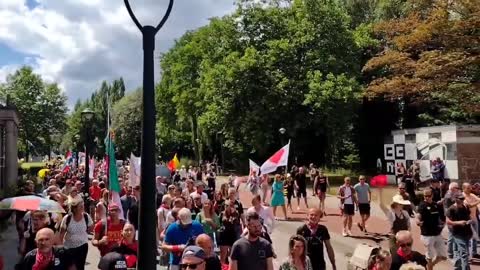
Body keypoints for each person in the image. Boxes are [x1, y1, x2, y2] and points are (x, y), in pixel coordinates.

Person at [416, 188, 446, 270]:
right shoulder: (422, 205)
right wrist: (418, 221)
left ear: (432, 195)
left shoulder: (436, 205)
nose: (427, 198)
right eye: (425, 196)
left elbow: (440, 218)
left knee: (443, 256)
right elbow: (418, 215)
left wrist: (442, 224)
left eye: (428, 196)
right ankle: (429, 266)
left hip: (437, 233)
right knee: (429, 257)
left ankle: (429, 265)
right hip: (427, 235)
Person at [58, 199, 93, 270]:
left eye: (83, 206)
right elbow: (61, 234)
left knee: (80, 266)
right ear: (74, 208)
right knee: (70, 267)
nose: (83, 208)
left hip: (83, 246)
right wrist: (60, 247)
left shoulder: (86, 216)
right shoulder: (67, 218)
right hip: (68, 248)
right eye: (80, 206)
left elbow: (91, 227)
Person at [446, 192, 473, 270]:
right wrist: (459, 223)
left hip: (467, 233)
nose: (462, 200)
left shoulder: (465, 207)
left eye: (463, 198)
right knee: (464, 253)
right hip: (458, 234)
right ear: (455, 199)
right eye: (460, 198)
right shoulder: (451, 209)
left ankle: (457, 268)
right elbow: (447, 221)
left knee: (460, 252)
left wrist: (470, 221)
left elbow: (469, 217)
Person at [218, 199, 242, 264]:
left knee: (232, 256)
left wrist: (233, 214)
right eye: (225, 205)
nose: (227, 206)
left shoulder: (235, 213)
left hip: (232, 235)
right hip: (224, 235)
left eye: (229, 205)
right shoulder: (222, 213)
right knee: (223, 256)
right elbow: (220, 224)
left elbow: (236, 222)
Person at [462, 182, 480, 259]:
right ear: (464, 189)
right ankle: (467, 255)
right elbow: (469, 205)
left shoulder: (472, 195)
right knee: (469, 238)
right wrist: (478, 202)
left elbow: (478, 200)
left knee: (475, 237)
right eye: (468, 188)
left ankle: (474, 253)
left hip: (474, 219)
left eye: (470, 187)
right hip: (467, 220)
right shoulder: (462, 196)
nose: (470, 189)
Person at [443, 182, 460, 259]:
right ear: (453, 188)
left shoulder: (452, 195)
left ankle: (453, 251)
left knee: (453, 235)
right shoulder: (448, 196)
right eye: (457, 188)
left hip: (453, 218)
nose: (458, 190)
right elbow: (447, 209)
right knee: (451, 236)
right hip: (450, 218)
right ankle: (450, 252)